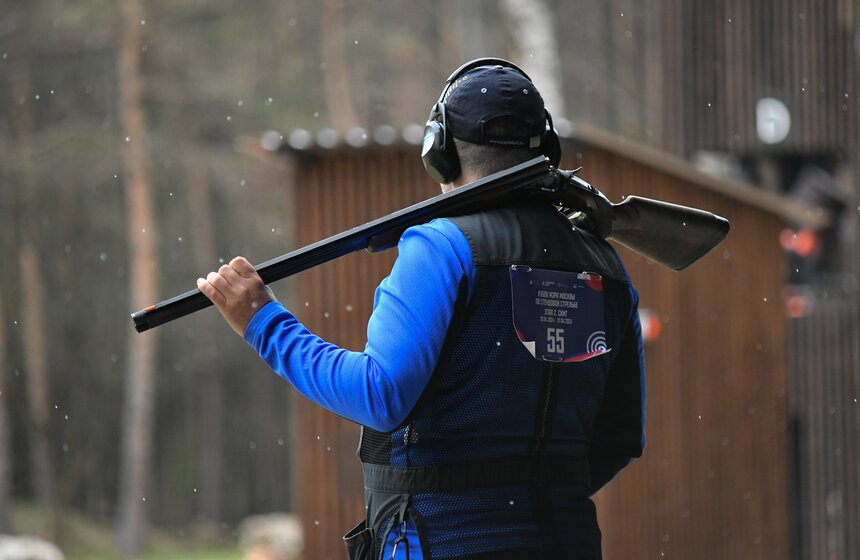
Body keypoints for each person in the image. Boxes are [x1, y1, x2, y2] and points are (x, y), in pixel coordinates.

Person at [197, 58, 645, 560]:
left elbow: (379, 393)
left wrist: (264, 323)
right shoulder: (607, 267)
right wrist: (529, 491)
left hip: (441, 541)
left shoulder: (444, 247)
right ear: (548, 149)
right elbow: (621, 437)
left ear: (440, 152)